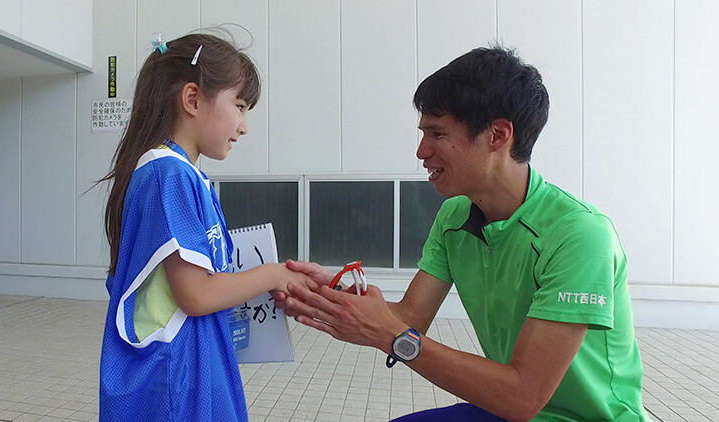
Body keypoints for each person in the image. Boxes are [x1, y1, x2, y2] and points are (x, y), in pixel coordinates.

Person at [276, 46, 650, 421]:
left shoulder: (580, 235)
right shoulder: (455, 214)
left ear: (498, 136)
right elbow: (409, 318)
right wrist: (334, 291)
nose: (421, 151)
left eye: (437, 133)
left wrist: (391, 336)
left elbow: (522, 397)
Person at [97, 32, 313, 421]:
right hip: (177, 379)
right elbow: (195, 294)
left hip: (190, 366)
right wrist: (273, 273)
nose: (244, 126)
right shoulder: (169, 173)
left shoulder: (183, 173)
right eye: (240, 106)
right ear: (193, 99)